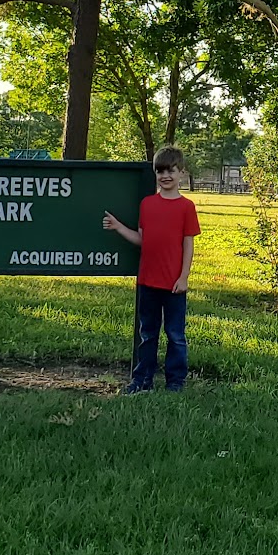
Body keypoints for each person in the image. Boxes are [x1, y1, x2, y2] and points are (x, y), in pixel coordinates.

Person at [103, 146, 201, 393]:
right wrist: (118, 227)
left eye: (171, 170)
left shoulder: (186, 207)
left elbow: (188, 244)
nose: (165, 176)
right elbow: (142, 240)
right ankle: (141, 380)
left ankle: (175, 382)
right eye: (160, 171)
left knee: (175, 335)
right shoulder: (147, 204)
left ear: (181, 173)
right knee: (148, 334)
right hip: (148, 281)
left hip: (174, 285)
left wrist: (184, 277)